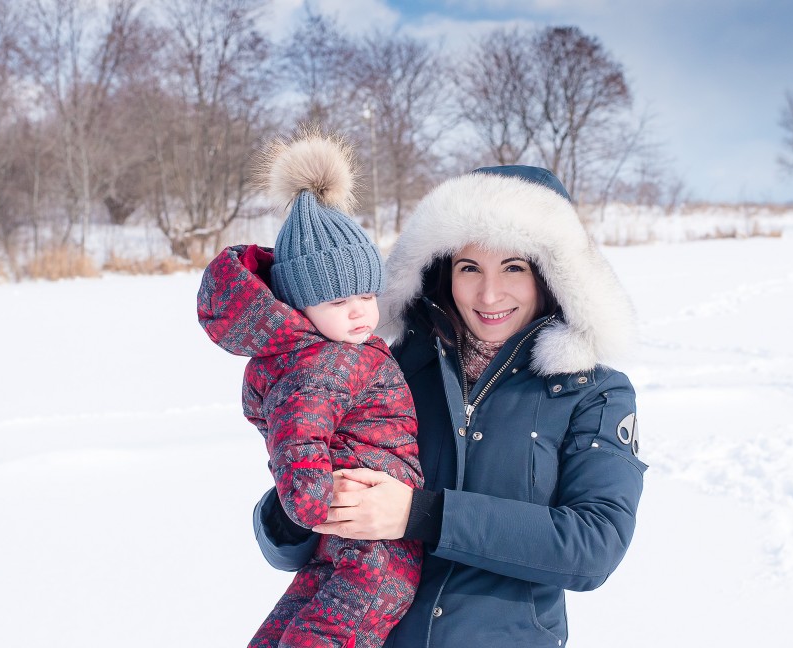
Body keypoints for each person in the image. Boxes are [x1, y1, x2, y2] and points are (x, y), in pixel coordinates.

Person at [252, 164, 647, 647]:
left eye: (514, 268)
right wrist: (299, 507)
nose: (489, 294)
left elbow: (594, 546)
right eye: (469, 268)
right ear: (442, 270)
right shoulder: (388, 371)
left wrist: (421, 514)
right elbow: (292, 548)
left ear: (552, 274)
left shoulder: (592, 392)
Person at [197, 132, 423, 648]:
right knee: (332, 626)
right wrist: (313, 505)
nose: (360, 311)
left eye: (367, 294)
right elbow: (298, 437)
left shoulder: (322, 352)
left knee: (298, 617)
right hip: (375, 538)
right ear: (301, 305)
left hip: (344, 533)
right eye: (339, 300)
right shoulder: (328, 361)